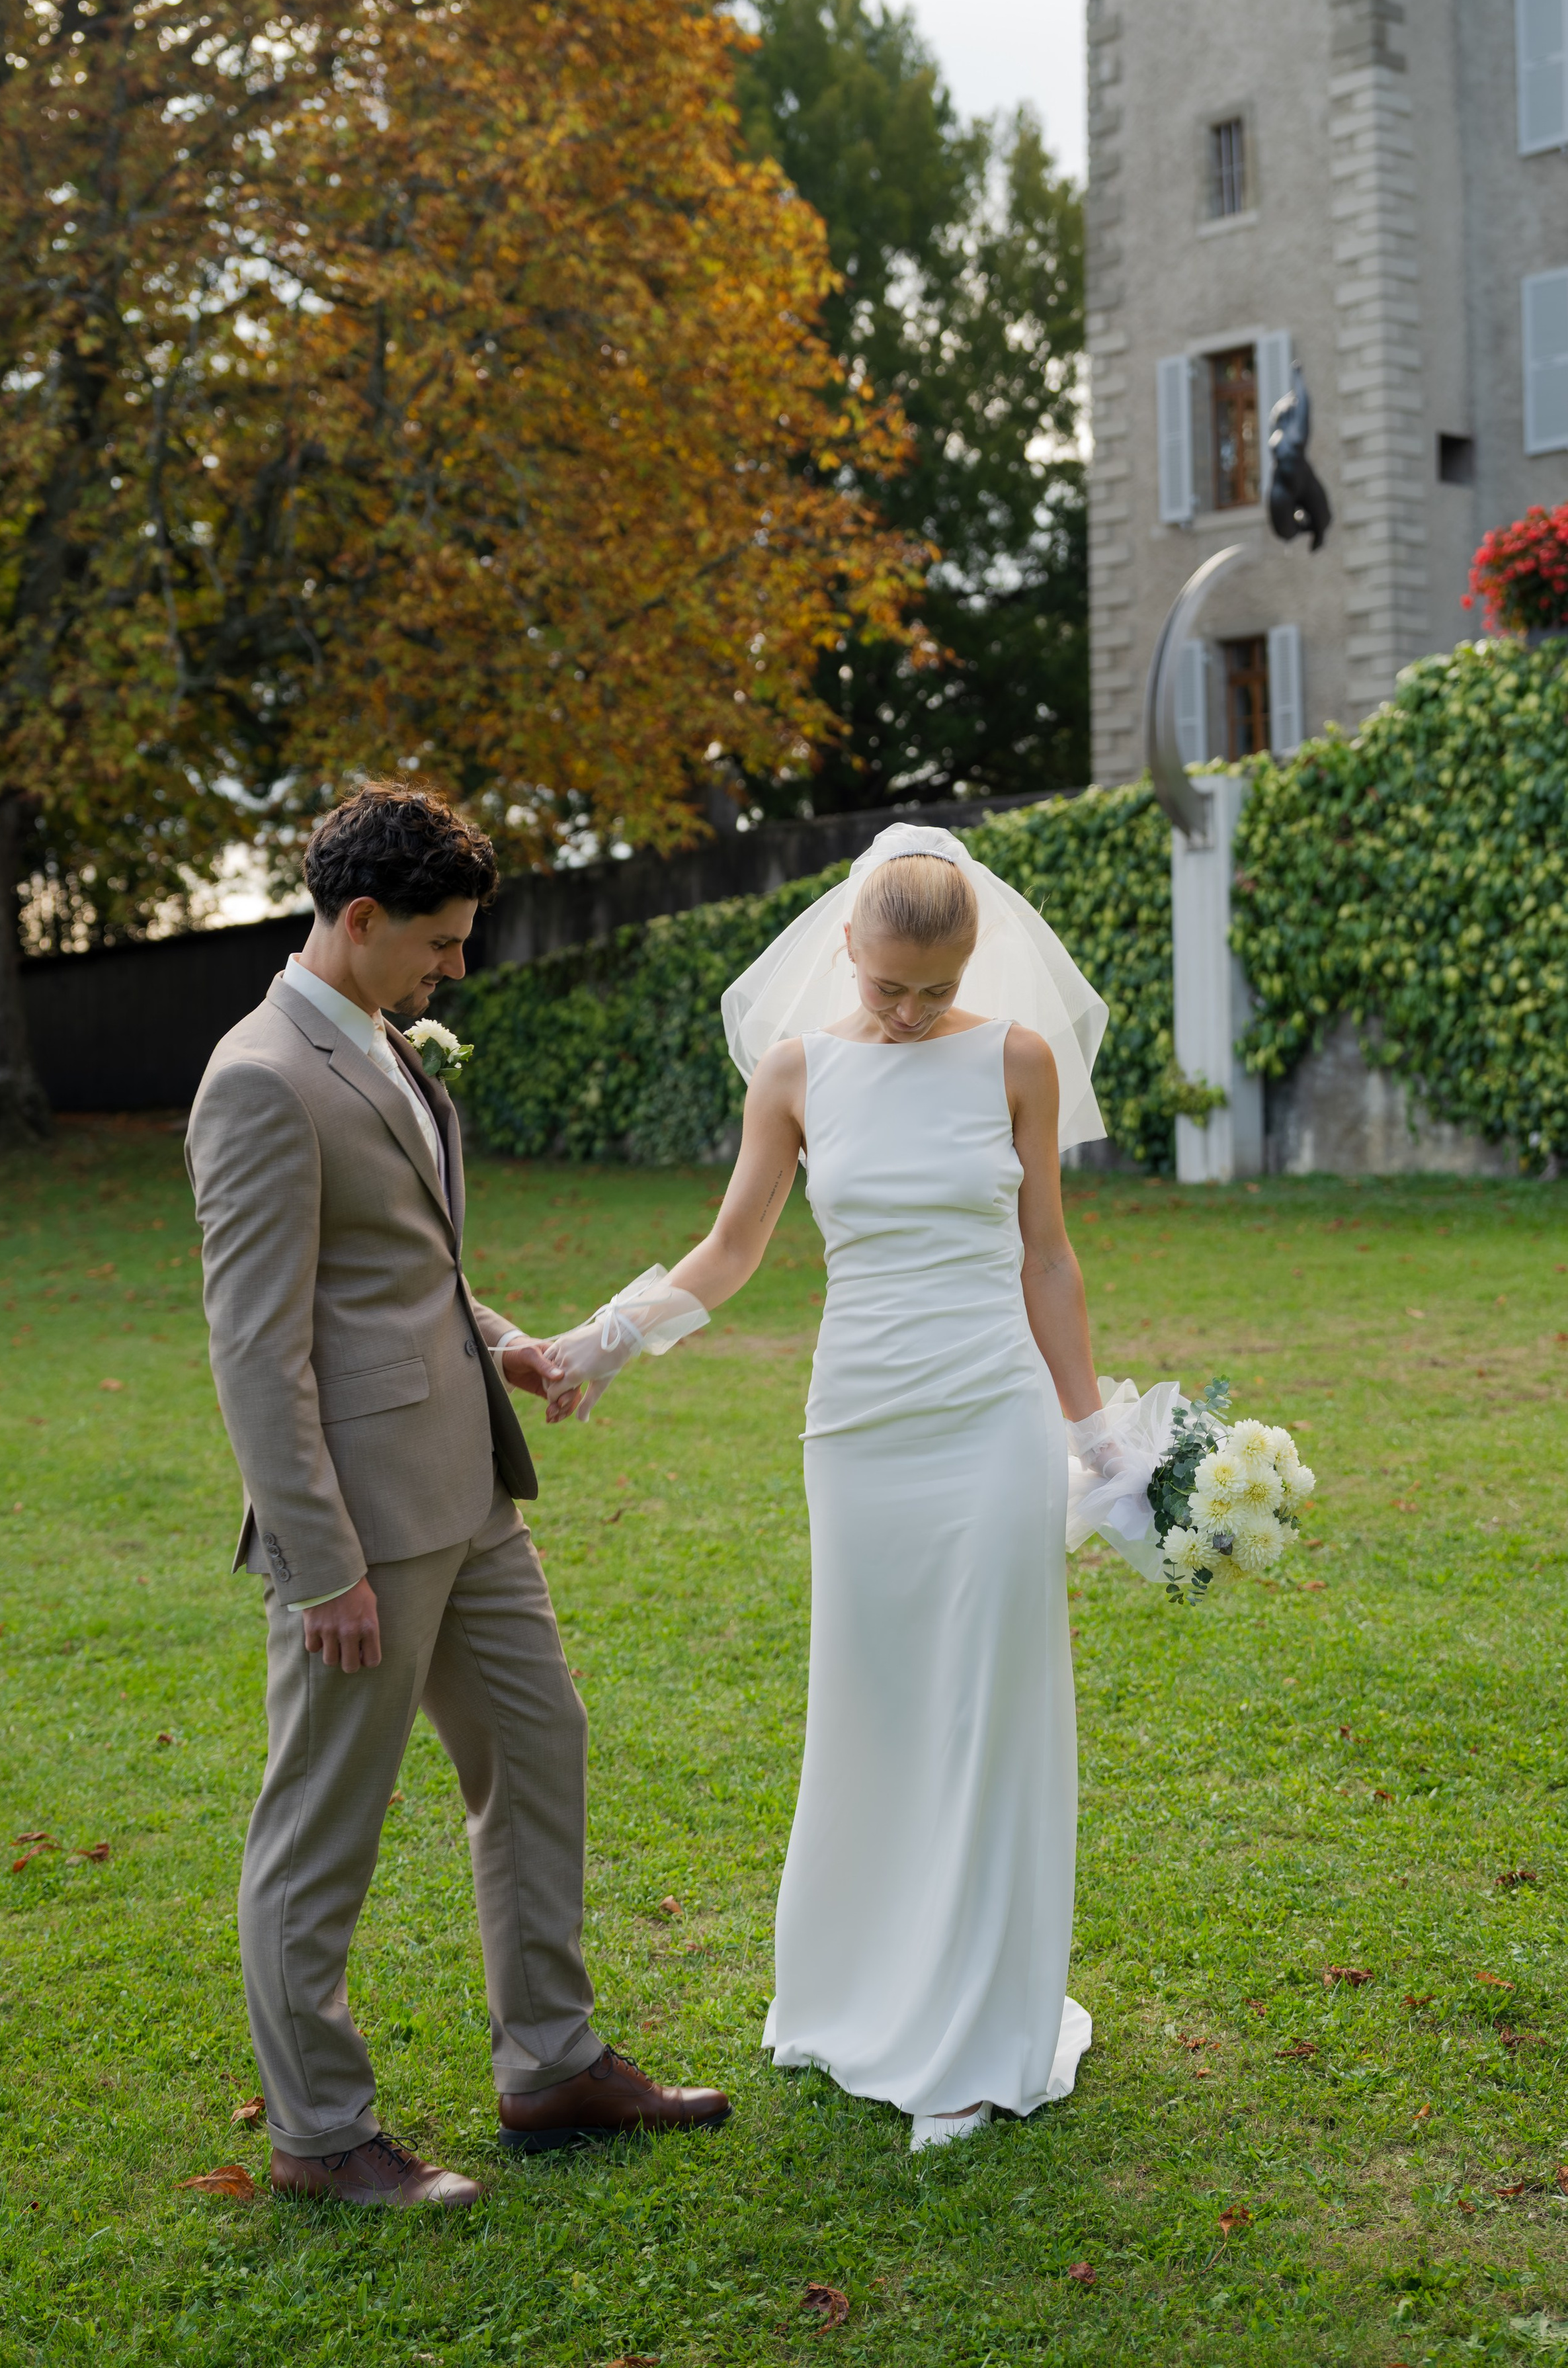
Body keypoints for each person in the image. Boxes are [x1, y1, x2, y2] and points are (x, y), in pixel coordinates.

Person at [186, 784, 729, 2210]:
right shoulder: (259, 1077)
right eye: (439, 941)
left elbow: (401, 1265)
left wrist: (505, 1343)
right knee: (320, 1827)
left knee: (542, 1746)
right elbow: (258, 1347)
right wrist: (322, 1566)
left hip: (471, 1491)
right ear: (356, 923)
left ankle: (549, 2062)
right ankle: (318, 2132)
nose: (457, 970)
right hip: (360, 1528)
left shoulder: (377, 1036)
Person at [548, 824, 1110, 2152]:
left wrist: (1088, 1428)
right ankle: (862, 1986)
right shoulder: (796, 1073)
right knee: (874, 1698)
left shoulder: (1015, 1060)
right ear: (847, 948)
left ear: (970, 964)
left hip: (989, 1418)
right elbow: (732, 1246)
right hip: (859, 1425)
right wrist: (607, 1341)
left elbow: (1045, 1257)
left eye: (934, 988)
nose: (909, 1015)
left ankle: (976, 2033)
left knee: (985, 1705)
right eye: (886, 987)